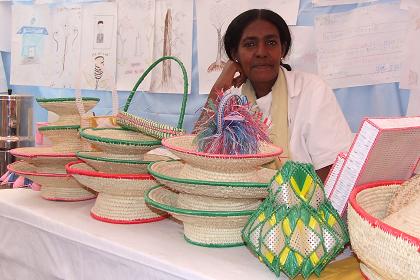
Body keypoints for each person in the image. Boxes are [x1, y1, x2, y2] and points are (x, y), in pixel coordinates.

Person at [195, 9, 353, 182]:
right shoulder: (231, 96)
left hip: (302, 204)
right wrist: (217, 88)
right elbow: (195, 152)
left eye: (271, 42)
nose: (261, 52)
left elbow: (333, 170)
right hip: (240, 203)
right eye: (250, 44)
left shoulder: (312, 90)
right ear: (235, 54)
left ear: (283, 50)